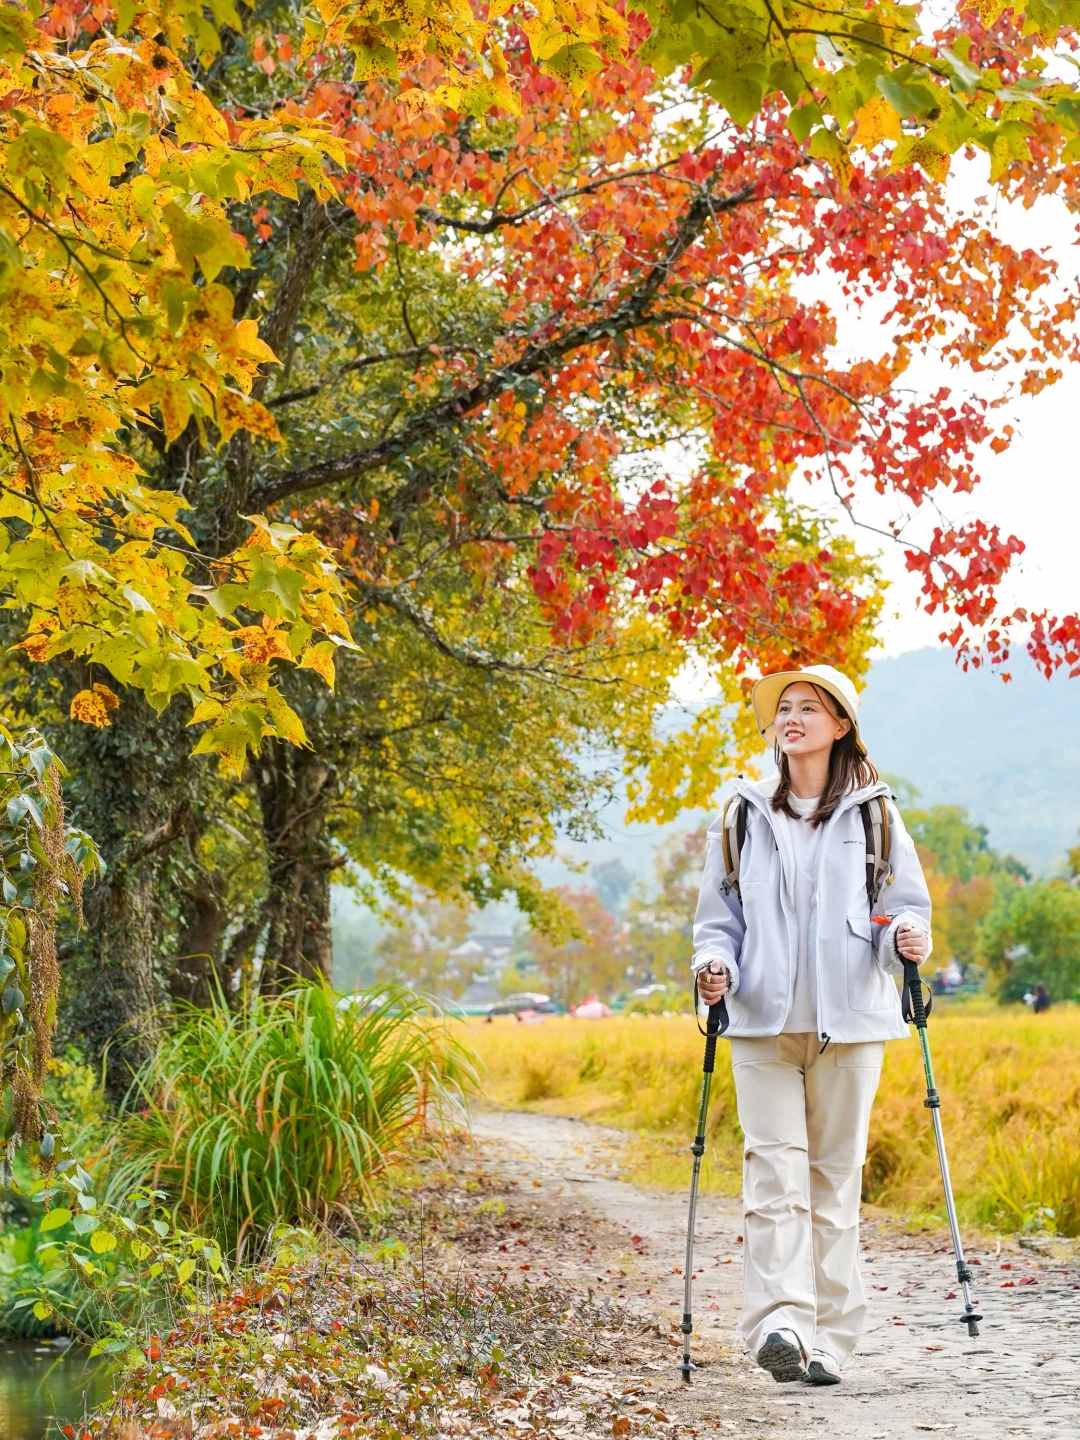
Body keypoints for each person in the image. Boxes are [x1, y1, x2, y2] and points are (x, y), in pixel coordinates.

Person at [692, 664, 931, 1388]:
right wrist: (712, 968)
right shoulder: (740, 815)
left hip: (851, 1026)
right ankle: (781, 1324)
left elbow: (900, 911)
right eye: (783, 708)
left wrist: (907, 937)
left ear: (840, 725)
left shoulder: (876, 816)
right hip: (761, 1026)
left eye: (808, 708)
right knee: (774, 1178)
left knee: (833, 1182)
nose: (791, 718)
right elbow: (716, 923)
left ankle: (830, 1336)